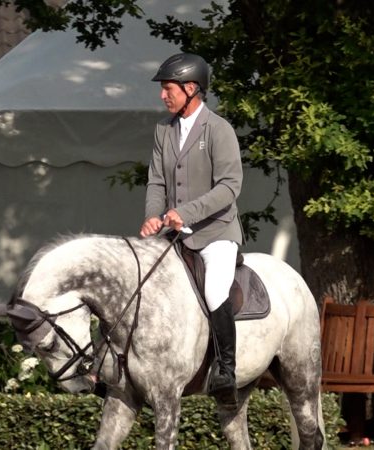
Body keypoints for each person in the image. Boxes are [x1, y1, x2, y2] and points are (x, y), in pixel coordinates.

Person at [139, 53, 243, 407]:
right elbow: (156, 182)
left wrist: (186, 212)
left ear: (191, 88)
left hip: (217, 233)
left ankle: (226, 370)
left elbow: (229, 187)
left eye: (168, 89)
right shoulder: (163, 130)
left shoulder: (219, 129)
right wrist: (154, 216)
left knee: (215, 290)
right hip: (175, 234)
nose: (162, 96)